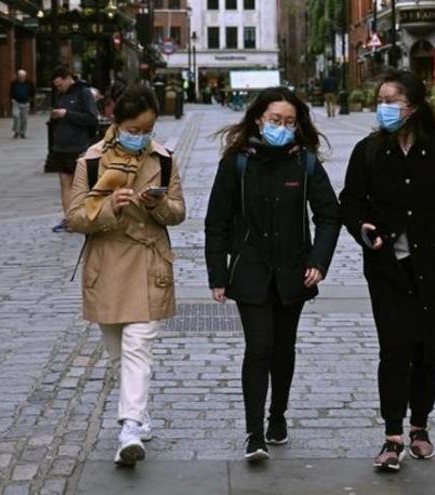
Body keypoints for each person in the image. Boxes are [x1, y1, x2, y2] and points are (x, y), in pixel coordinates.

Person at [338, 69, 435, 472]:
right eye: (380, 100)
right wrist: (363, 228)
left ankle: (420, 426)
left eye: (391, 101)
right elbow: (350, 203)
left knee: (428, 348)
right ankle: (392, 435)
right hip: (389, 265)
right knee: (395, 347)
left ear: (414, 106)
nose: (383, 108)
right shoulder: (369, 150)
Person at [204, 87, 341, 462]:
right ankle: (254, 434)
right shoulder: (237, 161)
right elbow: (216, 220)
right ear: (259, 119)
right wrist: (218, 273)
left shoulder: (305, 161)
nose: (282, 127)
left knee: (283, 348)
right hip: (250, 268)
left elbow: (329, 213)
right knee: (259, 347)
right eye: (275, 120)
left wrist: (319, 260)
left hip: (294, 270)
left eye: (289, 122)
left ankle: (277, 415)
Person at [66, 83, 186, 467]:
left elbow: (179, 212)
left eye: (147, 129)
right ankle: (141, 413)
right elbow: (74, 217)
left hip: (149, 261)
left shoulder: (164, 158)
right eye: (134, 129)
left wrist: (160, 203)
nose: (141, 137)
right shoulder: (91, 160)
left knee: (138, 346)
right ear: (116, 123)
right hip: (107, 264)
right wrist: (108, 209)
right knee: (119, 354)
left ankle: (130, 427)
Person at [46, 65, 99, 233]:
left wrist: (66, 114)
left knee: (78, 183)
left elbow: (91, 118)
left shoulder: (83, 93)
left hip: (77, 145)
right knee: (64, 181)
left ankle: (79, 217)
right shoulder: (61, 95)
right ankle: (69, 218)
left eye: (59, 84)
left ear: (68, 78)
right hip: (60, 145)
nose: (58, 88)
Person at [9, 69, 35, 138]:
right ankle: (16, 131)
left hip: (25, 103)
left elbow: (32, 92)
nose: (21, 77)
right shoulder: (14, 83)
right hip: (16, 102)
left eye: (22, 76)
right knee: (16, 116)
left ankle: (22, 132)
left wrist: (30, 99)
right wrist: (12, 99)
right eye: (20, 76)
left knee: (24, 118)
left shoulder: (29, 83)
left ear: (25, 76)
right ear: (18, 76)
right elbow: (11, 92)